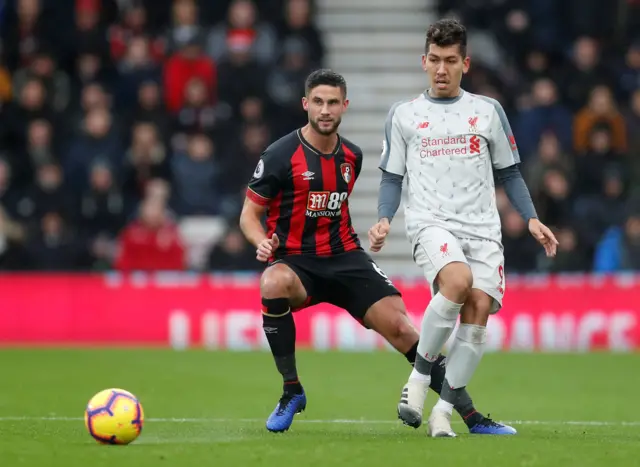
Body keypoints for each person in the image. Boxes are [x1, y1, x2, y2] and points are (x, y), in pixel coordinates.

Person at [240, 68, 512, 435]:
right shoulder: (279, 155)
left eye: (332, 102)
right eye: (318, 102)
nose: (325, 110)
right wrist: (261, 241)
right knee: (272, 283)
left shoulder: (351, 156)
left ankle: (469, 415)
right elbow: (249, 216)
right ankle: (292, 391)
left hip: (346, 258)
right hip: (296, 262)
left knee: (403, 329)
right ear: (305, 104)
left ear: (344, 106)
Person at [369, 19, 559, 438]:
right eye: (434, 60)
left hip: (483, 227)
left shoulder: (488, 111)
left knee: (475, 315)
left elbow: (510, 174)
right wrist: (384, 216)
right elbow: (391, 177)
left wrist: (530, 217)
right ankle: (417, 382)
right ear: (423, 61)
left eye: (450, 60)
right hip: (431, 223)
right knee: (457, 281)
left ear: (465, 63)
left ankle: (444, 414)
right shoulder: (404, 115)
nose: (441, 69)